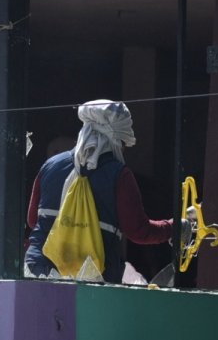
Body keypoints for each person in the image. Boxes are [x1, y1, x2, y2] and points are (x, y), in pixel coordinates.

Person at [25, 100, 181, 283]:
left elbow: (32, 220)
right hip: (93, 280)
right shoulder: (119, 175)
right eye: (123, 143)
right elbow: (138, 231)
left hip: (38, 270)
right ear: (115, 140)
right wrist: (175, 227)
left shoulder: (50, 165)